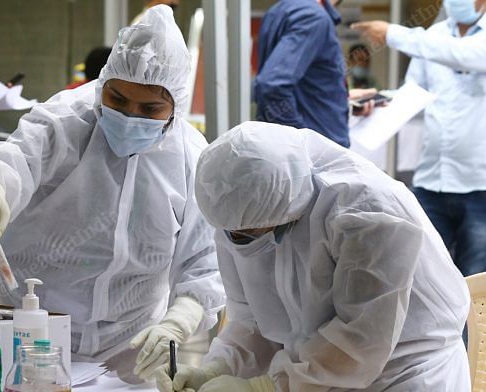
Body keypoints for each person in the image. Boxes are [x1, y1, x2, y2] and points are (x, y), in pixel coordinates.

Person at [0, 5, 224, 381]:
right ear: (103, 85)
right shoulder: (66, 121)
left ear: (175, 106)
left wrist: (179, 321)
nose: (130, 116)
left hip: (130, 344)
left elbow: (205, 260)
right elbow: (17, 157)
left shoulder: (191, 159)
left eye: (150, 108)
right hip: (29, 327)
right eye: (118, 100)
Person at [156, 122, 471, 391]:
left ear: (290, 208)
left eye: (253, 230)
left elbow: (363, 341)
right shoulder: (237, 214)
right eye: (237, 233)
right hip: (311, 375)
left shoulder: (369, 212)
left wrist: (265, 386)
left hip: (407, 372)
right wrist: (217, 369)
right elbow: (253, 320)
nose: (242, 240)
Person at [353, 0, 486, 276]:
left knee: (473, 280)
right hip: (431, 181)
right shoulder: (433, 36)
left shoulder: (432, 43)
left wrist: (392, 34)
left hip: (479, 185)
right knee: (419, 274)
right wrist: (375, 100)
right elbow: (411, 94)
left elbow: (462, 54)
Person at [254, 0, 350, 147]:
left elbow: (300, 85)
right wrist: (303, 143)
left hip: (292, 152)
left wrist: (342, 98)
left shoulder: (280, 9)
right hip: (316, 158)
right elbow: (271, 85)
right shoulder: (314, 17)